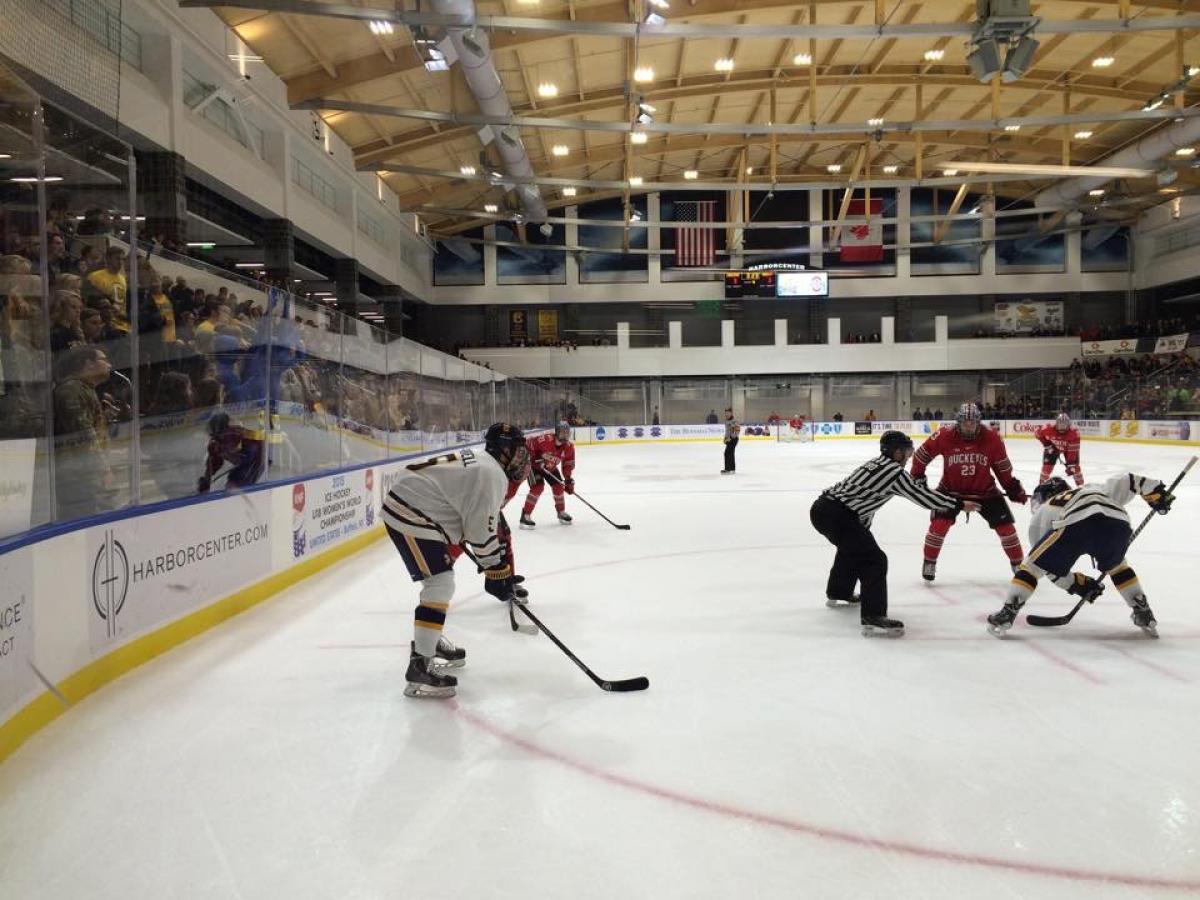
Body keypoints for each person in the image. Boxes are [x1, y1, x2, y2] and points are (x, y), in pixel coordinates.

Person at [381, 423, 531, 698]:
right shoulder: (492, 474)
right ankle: (420, 669)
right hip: (410, 512)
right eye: (519, 451)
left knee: (440, 581)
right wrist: (496, 571)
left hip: (417, 507)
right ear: (504, 450)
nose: (523, 458)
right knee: (440, 583)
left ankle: (430, 641)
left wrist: (495, 566)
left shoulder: (485, 465)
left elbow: (475, 523)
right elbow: (479, 531)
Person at [810, 430, 978, 636]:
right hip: (838, 515)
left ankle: (839, 591)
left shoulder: (876, 463)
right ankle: (873, 615)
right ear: (897, 453)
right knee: (875, 560)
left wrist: (861, 528)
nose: (909, 456)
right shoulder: (894, 473)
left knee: (852, 549)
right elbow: (923, 498)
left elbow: (861, 498)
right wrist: (959, 504)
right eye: (907, 452)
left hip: (823, 509)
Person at [986, 474, 1174, 638]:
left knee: (1031, 566)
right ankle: (1143, 610)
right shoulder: (1093, 488)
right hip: (1117, 523)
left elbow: (1047, 567)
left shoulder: (1044, 510)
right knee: (1117, 567)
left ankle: (1008, 612)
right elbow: (1129, 480)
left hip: (1075, 524)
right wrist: (1156, 493)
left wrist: (1076, 584)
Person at [911, 402, 1027, 582]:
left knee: (1007, 529)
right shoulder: (943, 435)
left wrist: (1011, 487)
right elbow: (921, 456)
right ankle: (929, 561)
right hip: (950, 491)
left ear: (978, 422)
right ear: (958, 422)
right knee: (938, 527)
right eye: (965, 422)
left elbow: (1002, 467)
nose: (968, 426)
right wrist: (917, 476)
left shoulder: (992, 438)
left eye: (972, 422)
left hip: (985, 492)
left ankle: (1018, 565)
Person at [520, 421, 576, 527]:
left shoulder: (569, 447)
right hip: (533, 466)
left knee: (559, 486)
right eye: (563, 432)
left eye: (567, 432)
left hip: (550, 467)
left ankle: (561, 512)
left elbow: (567, 464)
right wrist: (534, 457)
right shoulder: (544, 440)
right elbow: (527, 445)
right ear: (557, 433)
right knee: (538, 487)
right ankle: (525, 516)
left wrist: (568, 479)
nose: (565, 435)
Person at [1035, 413, 1083, 486]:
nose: (1062, 428)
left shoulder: (1074, 433)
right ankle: (1041, 486)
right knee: (1046, 469)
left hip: (1068, 450)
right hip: (1053, 448)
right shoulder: (1048, 428)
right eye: (1060, 425)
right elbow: (1037, 434)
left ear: (1069, 425)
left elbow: (1072, 451)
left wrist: (1070, 464)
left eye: (1064, 426)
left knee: (1075, 469)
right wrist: (1047, 445)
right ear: (1056, 424)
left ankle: (1081, 487)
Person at [721, 407, 740, 474]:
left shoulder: (735, 421)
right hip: (729, 439)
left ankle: (731, 469)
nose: (726, 414)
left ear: (731, 413)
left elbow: (737, 431)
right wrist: (725, 438)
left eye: (728, 413)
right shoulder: (726, 421)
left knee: (730, 453)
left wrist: (731, 438)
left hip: (734, 439)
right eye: (726, 413)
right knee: (727, 453)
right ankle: (728, 469)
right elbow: (727, 431)